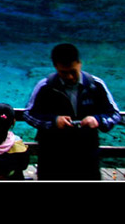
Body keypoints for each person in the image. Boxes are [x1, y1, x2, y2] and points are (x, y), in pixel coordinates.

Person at [24, 43, 122, 180]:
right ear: (56, 66)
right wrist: (54, 121)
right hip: (53, 155)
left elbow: (115, 114)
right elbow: (29, 114)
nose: (69, 77)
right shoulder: (45, 87)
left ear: (79, 64)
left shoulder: (96, 85)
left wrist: (97, 120)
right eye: (64, 72)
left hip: (86, 155)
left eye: (73, 72)